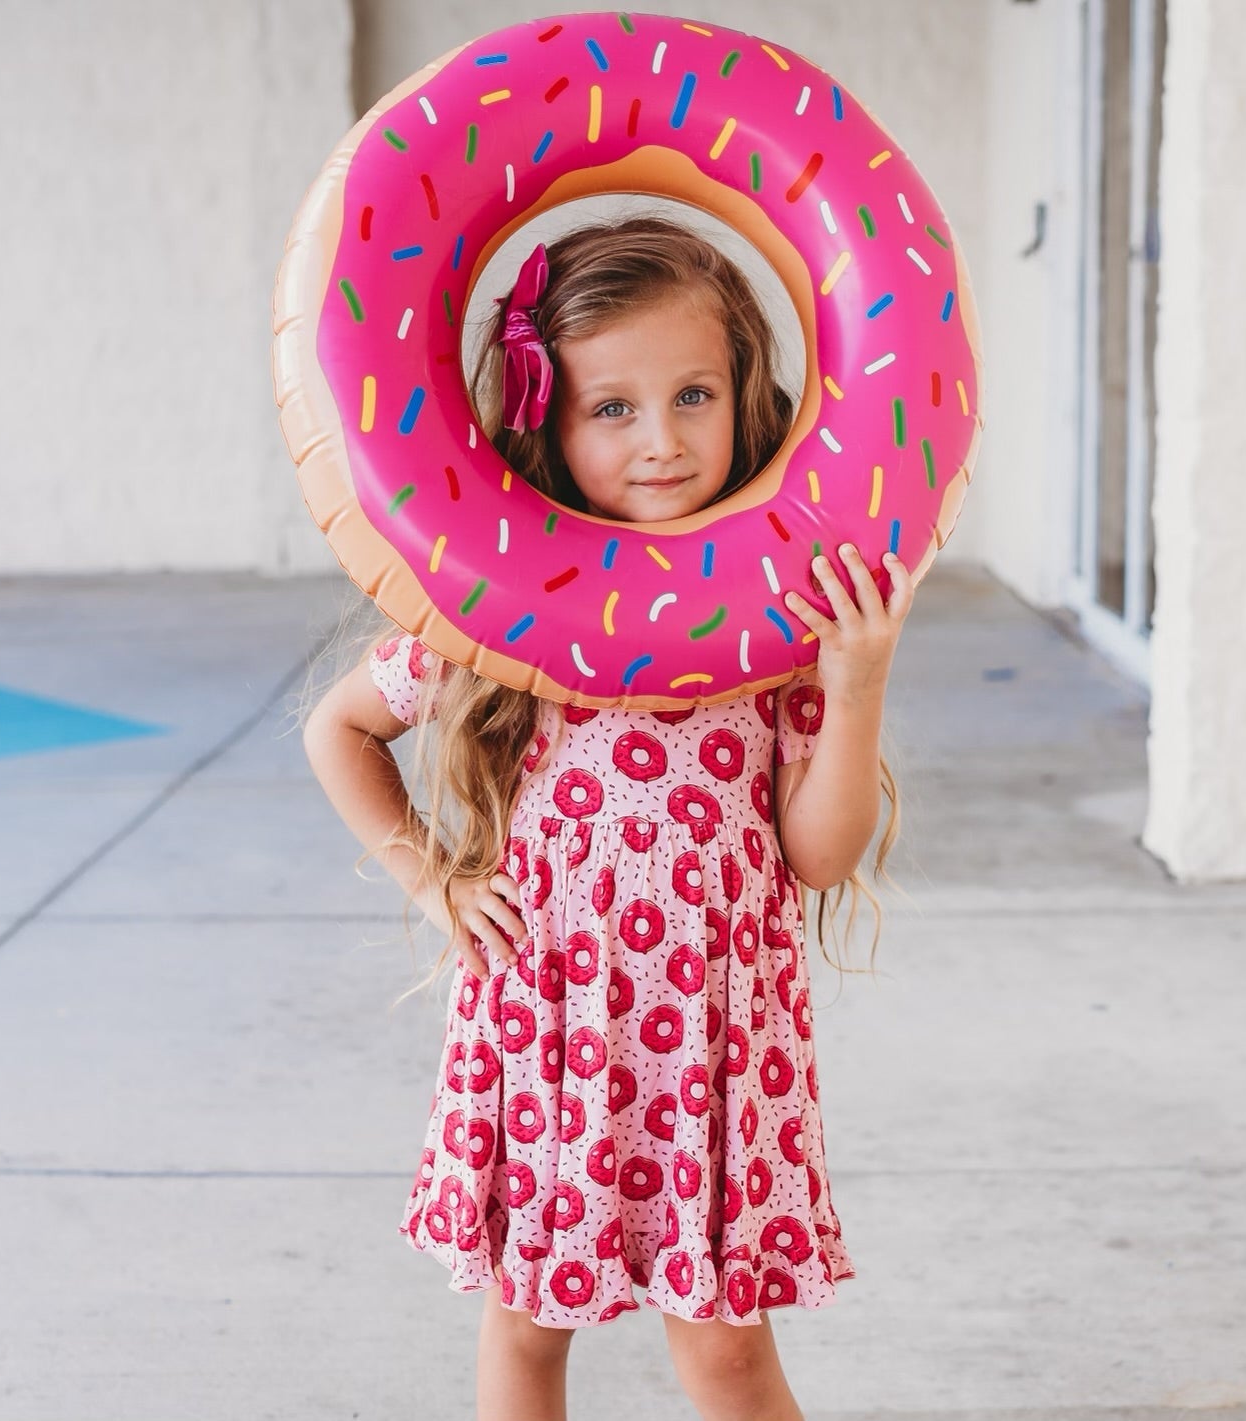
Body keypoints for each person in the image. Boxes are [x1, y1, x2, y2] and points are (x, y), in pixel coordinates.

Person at [303, 215, 911, 1421]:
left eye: (693, 394)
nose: (663, 442)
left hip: (712, 1047)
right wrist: (431, 874)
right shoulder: (502, 612)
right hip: (550, 1029)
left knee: (728, 1353)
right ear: (548, 426)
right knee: (527, 1333)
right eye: (613, 408)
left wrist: (856, 684)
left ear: (746, 392)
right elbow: (341, 727)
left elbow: (820, 851)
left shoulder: (775, 616)